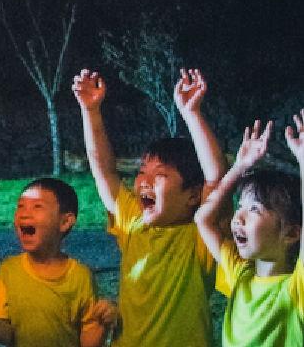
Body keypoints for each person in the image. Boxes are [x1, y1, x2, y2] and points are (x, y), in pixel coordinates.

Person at [72, 67, 227, 346]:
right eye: (142, 171)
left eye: (161, 175)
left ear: (193, 196)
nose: (144, 181)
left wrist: (192, 114)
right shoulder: (133, 220)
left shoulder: (201, 236)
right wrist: (91, 111)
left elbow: (216, 178)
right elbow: (103, 169)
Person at [195, 115, 304, 345]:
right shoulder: (241, 275)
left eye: (255, 209)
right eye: (240, 206)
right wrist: (240, 166)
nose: (238, 217)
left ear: (292, 234)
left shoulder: (296, 290)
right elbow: (203, 219)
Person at [0, 177, 116, 346]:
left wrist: (102, 322)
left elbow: (88, 341)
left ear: (65, 222)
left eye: (37, 206)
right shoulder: (8, 270)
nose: (24, 213)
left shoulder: (80, 276)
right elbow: (7, 336)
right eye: (20, 206)